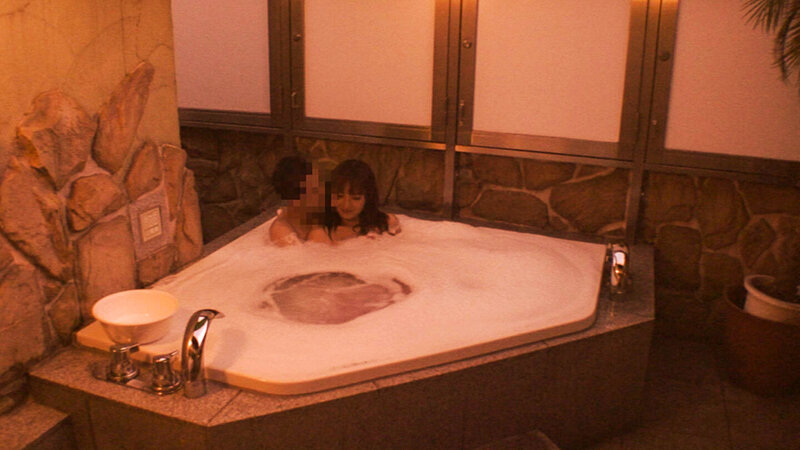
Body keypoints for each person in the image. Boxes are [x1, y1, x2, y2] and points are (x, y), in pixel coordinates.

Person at [308, 159, 400, 244]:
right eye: (339, 196)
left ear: (368, 197)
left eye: (356, 198)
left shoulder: (386, 223)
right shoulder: (321, 234)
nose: (346, 205)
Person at [269, 156, 324, 246]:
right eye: (315, 190)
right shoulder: (282, 232)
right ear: (295, 200)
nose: (322, 191)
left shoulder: (315, 214)